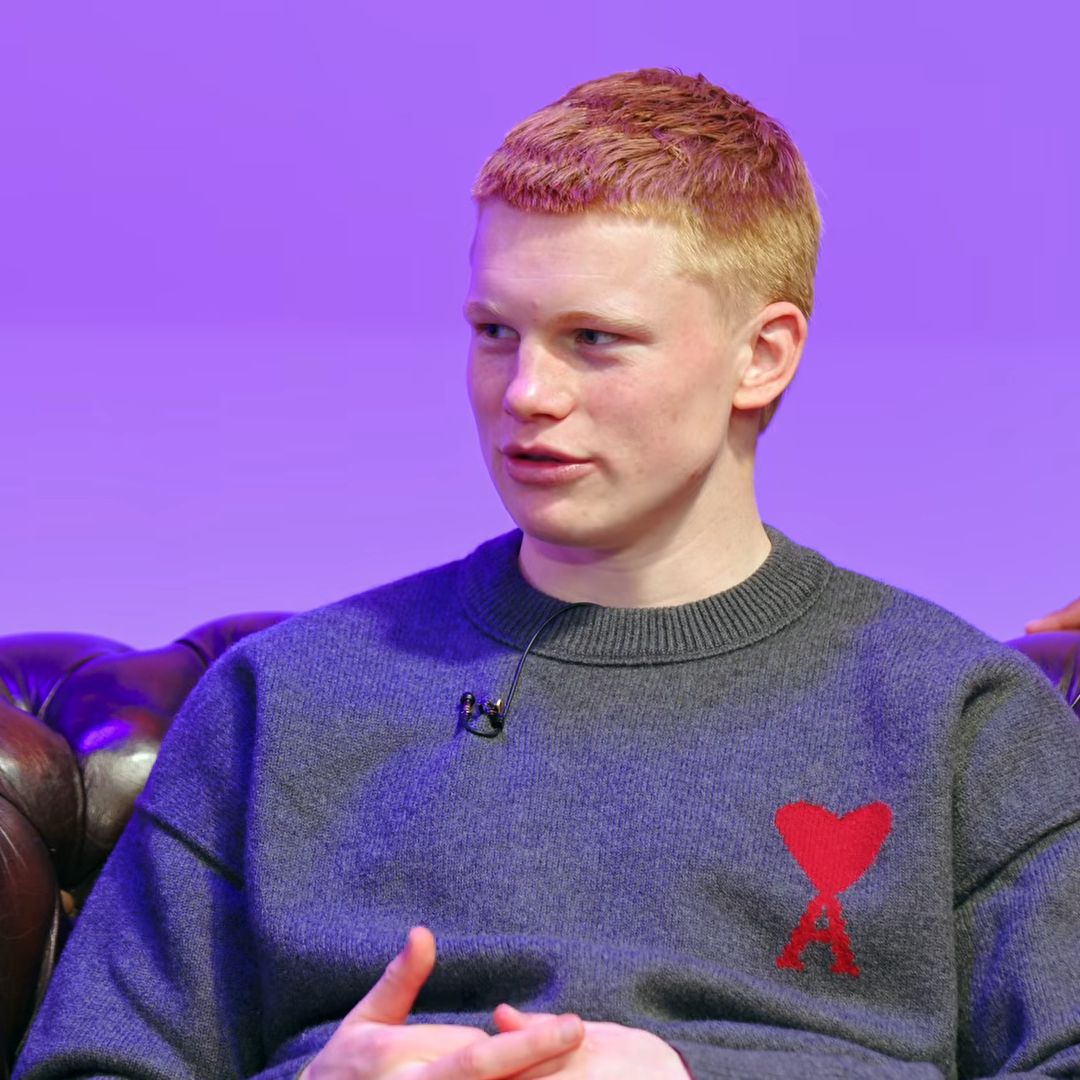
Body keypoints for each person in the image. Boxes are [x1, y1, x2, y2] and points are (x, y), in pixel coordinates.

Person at [14, 68, 1080, 1079]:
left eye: (594, 339)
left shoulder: (960, 720)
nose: (525, 392)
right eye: (495, 331)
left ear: (764, 355)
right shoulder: (282, 699)